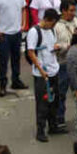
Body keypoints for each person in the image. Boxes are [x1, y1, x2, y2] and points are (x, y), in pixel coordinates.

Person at [26, 8, 64, 142]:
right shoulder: (34, 32)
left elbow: (50, 46)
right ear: (48, 20)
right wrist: (40, 70)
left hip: (54, 69)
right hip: (42, 74)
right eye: (53, 23)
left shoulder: (51, 30)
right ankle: (40, 130)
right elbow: (31, 52)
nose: (53, 26)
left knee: (54, 100)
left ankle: (53, 126)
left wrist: (56, 48)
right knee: (42, 103)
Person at [54, 0, 77, 129]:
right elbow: (54, 46)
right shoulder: (56, 27)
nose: (73, 13)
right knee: (60, 93)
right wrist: (67, 46)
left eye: (74, 10)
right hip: (63, 63)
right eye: (71, 10)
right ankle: (59, 118)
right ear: (63, 11)